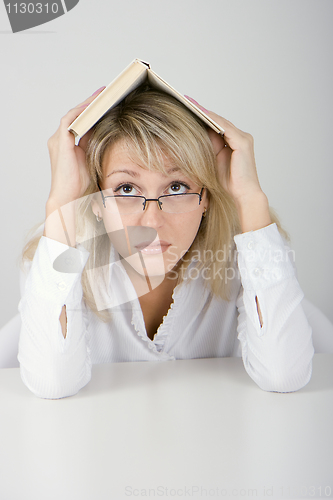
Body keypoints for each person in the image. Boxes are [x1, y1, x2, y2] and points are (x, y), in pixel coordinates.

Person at [18, 84, 314, 399]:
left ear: (207, 199)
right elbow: (52, 383)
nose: (152, 222)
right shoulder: (57, 250)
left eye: (176, 186)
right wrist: (61, 201)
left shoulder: (246, 254)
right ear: (96, 201)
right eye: (126, 189)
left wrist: (251, 199)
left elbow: (286, 375)